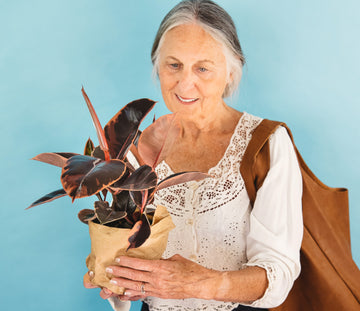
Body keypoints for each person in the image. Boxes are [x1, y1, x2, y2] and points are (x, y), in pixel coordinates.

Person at [84, 1, 303, 310]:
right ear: (157, 67)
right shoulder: (131, 150)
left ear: (230, 71)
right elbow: (128, 255)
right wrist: (118, 282)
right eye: (174, 65)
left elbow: (278, 273)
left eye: (203, 68)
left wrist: (197, 283)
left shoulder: (266, 144)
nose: (185, 83)